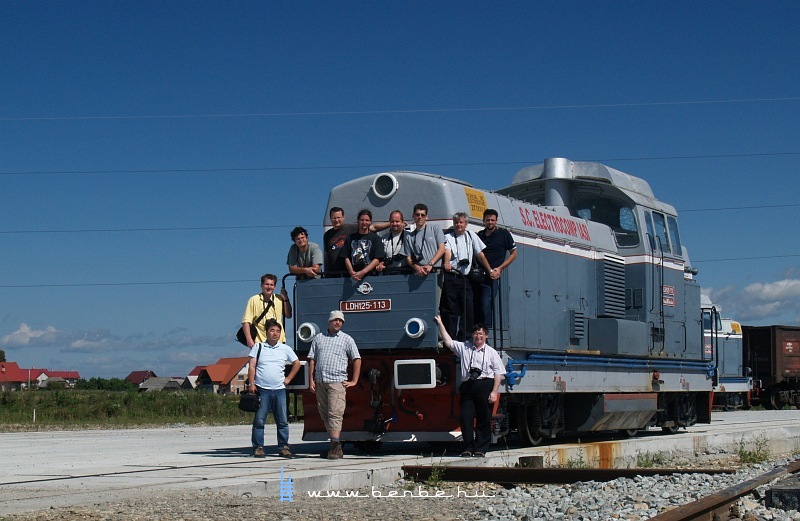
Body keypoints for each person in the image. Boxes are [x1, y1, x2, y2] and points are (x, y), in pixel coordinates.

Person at [433, 315, 505, 458]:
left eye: (481, 333)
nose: (478, 336)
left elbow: (499, 373)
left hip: (485, 384)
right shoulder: (464, 347)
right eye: (476, 333)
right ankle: (467, 447)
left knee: (484, 418)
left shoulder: (491, 352)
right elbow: (448, 341)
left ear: (486, 336)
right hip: (468, 386)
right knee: (466, 417)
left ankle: (480, 449)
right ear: (472, 335)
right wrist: (440, 323)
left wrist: (494, 391)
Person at [307, 310, 362, 460]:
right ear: (329, 321)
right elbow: (312, 359)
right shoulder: (318, 338)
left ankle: (336, 446)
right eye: (335, 320)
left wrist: (354, 380)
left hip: (337, 381)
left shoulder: (347, 339)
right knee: (324, 413)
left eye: (340, 321)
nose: (338, 323)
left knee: (335, 413)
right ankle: (333, 443)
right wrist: (311, 379)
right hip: (320, 381)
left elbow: (357, 359)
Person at [248, 319, 302, 458]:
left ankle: (283, 446)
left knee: (282, 421)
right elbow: (252, 366)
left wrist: (288, 379)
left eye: (278, 331)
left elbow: (296, 363)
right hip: (262, 389)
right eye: (272, 330)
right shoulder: (258, 347)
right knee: (259, 420)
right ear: (266, 332)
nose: (275, 334)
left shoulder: (285, 348)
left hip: (279, 390)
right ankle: (258, 447)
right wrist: (252, 383)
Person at [441, 212, 493, 340]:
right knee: (450, 308)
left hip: (465, 278)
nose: (458, 225)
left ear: (466, 224)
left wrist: (490, 270)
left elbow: (480, 254)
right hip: (452, 276)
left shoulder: (471, 236)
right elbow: (447, 251)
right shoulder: (448, 237)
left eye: (461, 222)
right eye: (456, 223)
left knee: (468, 307)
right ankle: (450, 337)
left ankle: (465, 335)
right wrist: (446, 262)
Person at [475, 209, 517, 328]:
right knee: (476, 307)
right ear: (483, 221)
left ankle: (485, 335)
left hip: (492, 278)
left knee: (486, 306)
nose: (490, 222)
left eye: (492, 220)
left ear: (496, 221)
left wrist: (499, 269)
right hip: (478, 277)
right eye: (487, 220)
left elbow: (514, 254)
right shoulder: (479, 236)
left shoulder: (504, 234)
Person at [242, 274, 292, 345]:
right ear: (261, 285)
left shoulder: (279, 299)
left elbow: (288, 315)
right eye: (266, 284)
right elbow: (246, 321)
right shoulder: (253, 300)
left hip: (279, 343)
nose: (269, 287)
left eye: (271, 285)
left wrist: (285, 298)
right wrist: (249, 340)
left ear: (274, 287)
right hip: (260, 342)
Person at [404, 203, 446, 277]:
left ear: (426, 217)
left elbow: (442, 249)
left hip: (435, 271)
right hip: (419, 273)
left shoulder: (435, 229)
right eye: (417, 214)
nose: (420, 217)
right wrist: (416, 267)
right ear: (413, 216)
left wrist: (430, 264)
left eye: (422, 215)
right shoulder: (409, 237)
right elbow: (408, 258)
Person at [344, 209, 385, 281]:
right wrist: (352, 272)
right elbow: (346, 257)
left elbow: (377, 259)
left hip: (371, 276)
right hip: (353, 276)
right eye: (362, 220)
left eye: (367, 220)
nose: (364, 222)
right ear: (358, 221)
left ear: (370, 222)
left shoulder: (376, 239)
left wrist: (363, 272)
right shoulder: (350, 238)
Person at [376, 210, 410, 275]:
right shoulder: (384, 238)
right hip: (389, 273)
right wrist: (381, 263)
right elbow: (380, 257)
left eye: (397, 221)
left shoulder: (409, 237)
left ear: (402, 222)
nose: (394, 224)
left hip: (406, 273)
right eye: (392, 221)